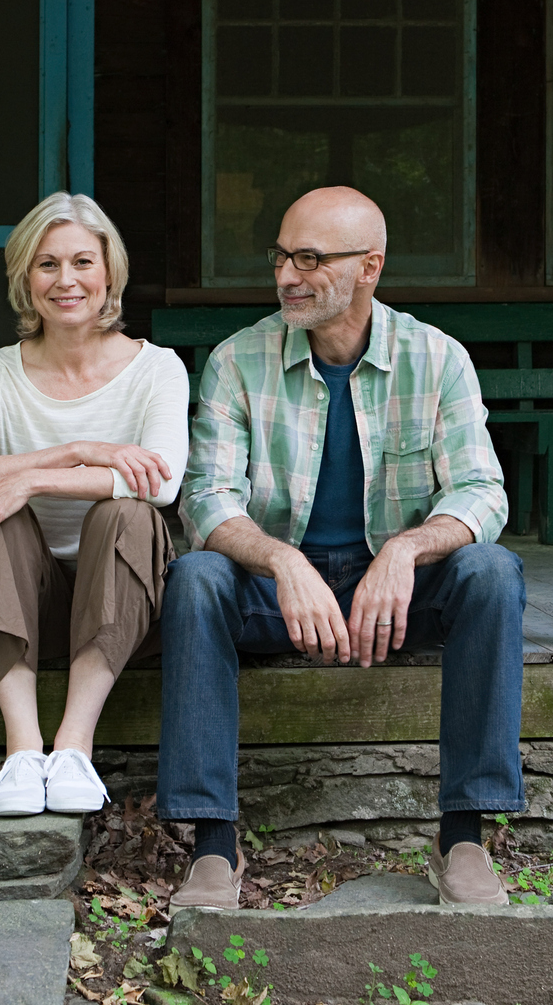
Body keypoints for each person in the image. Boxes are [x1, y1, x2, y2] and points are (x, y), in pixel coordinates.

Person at [158, 186, 525, 909]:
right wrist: (281, 561)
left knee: (490, 571)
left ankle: (464, 835)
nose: (286, 275)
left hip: (389, 596)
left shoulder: (436, 358)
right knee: (197, 576)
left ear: (369, 267)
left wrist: (404, 552)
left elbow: (482, 491)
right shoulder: (238, 361)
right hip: (276, 593)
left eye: (310, 258)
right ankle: (211, 842)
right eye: (282, 256)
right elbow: (205, 500)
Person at [0, 193, 189, 817]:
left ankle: (73, 748)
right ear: (26, 277)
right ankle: (23, 753)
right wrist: (73, 452)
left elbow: (161, 485)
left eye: (82, 262)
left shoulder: (157, 369)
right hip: (27, 602)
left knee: (125, 513)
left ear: (109, 275)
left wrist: (30, 479)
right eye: (47, 265)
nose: (66, 280)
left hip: (125, 605)